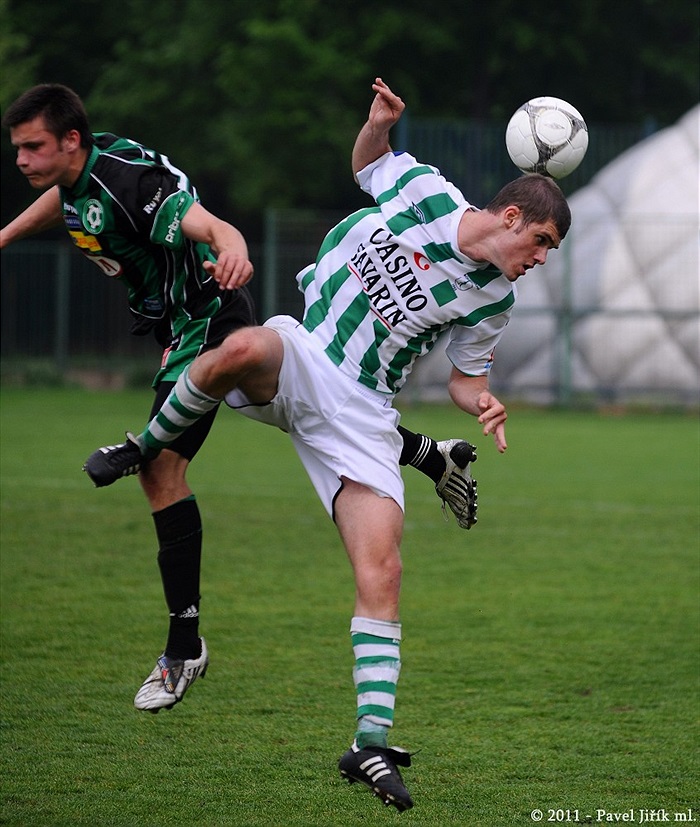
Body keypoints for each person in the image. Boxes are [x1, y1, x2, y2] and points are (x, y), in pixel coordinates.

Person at [83, 77, 571, 812]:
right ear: (510, 216)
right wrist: (378, 123)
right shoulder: (429, 194)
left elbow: (468, 379)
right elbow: (369, 162)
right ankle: (142, 443)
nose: (540, 259)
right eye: (541, 242)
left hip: (364, 415)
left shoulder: (494, 298)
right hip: (309, 355)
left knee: (385, 567)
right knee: (236, 347)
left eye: (549, 252)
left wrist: (485, 402)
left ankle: (370, 744)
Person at [1, 85, 478, 719]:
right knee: (313, 415)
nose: (22, 161)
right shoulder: (87, 167)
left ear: (69, 140)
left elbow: (203, 220)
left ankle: (182, 648)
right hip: (180, 326)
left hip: (209, 320)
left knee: (161, 467)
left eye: (33, 147)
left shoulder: (127, 183)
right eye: (17, 150)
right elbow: (65, 197)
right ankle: (425, 453)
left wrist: (233, 246)